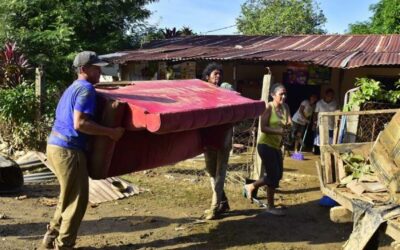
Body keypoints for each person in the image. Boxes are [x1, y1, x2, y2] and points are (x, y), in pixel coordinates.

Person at [42, 51, 125, 250]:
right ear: (83, 69)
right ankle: (64, 245)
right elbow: (80, 124)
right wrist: (111, 132)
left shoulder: (72, 88)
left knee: (67, 195)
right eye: (95, 68)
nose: (99, 71)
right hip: (69, 150)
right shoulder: (86, 89)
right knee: (78, 200)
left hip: (55, 145)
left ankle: (51, 237)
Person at [244, 83, 291, 216]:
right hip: (265, 145)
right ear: (273, 95)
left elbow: (288, 123)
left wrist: (288, 127)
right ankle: (270, 207)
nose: (284, 96)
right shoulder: (268, 107)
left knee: (278, 174)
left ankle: (251, 186)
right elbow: (263, 128)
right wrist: (278, 131)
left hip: (277, 146)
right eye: (281, 94)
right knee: (272, 176)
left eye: (285, 93)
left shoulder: (285, 107)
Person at [201, 62, 234, 220]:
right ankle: (223, 201)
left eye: (220, 74)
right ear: (207, 77)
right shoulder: (202, 92)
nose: (218, 76)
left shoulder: (225, 88)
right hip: (208, 136)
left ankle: (214, 208)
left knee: (220, 173)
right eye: (215, 74)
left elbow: (233, 97)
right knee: (211, 172)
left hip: (224, 136)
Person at [312, 88, 338, 154]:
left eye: (332, 96)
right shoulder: (319, 103)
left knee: (329, 141)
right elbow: (315, 114)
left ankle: (327, 153)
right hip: (320, 125)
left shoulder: (335, 103)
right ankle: (318, 152)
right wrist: (314, 123)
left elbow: (337, 113)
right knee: (319, 140)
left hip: (331, 125)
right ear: (325, 95)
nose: (331, 97)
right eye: (329, 95)